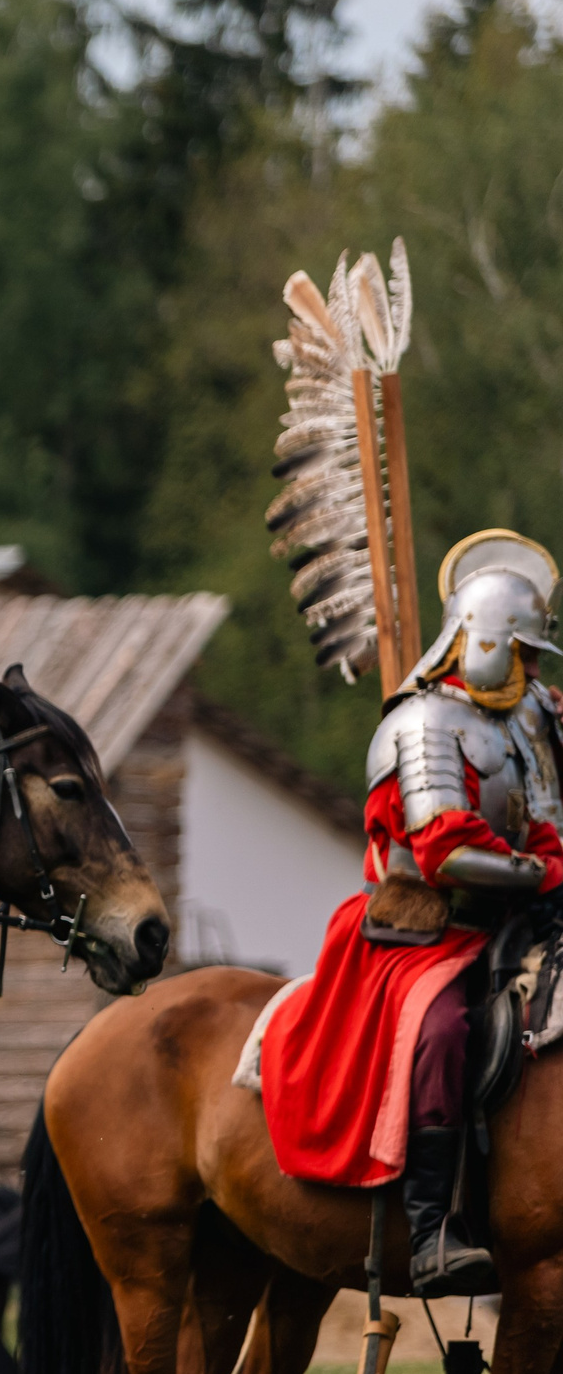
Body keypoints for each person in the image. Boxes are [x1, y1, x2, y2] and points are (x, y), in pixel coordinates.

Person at [260, 530, 563, 1296]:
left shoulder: (531, 715)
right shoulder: (423, 724)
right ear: (483, 641)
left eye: (536, 656)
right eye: (520, 651)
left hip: (516, 916)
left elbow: (550, 816)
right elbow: (445, 852)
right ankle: (431, 1229)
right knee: (444, 1030)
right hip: (427, 929)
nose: (529, 668)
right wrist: (544, 870)